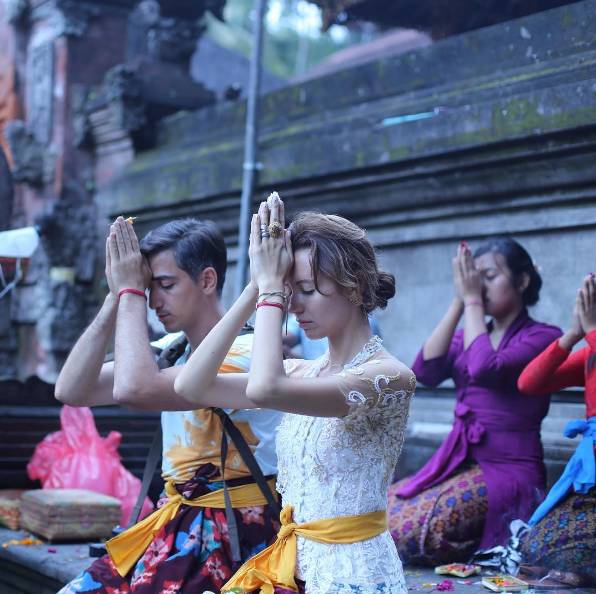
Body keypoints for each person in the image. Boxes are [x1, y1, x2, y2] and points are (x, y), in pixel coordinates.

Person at [175, 194, 415, 594]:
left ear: (354, 286)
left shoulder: (389, 378)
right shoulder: (302, 371)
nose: (293, 306)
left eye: (306, 289)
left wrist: (271, 290)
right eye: (290, 292)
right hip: (293, 567)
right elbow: (191, 386)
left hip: (355, 577)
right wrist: (257, 286)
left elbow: (266, 387)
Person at [55, 217, 281, 593]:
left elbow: (135, 389)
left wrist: (131, 293)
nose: (154, 301)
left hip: (231, 531)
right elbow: (72, 390)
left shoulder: (245, 351)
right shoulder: (173, 348)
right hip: (177, 521)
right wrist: (117, 295)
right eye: (149, 287)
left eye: (166, 285)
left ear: (207, 280)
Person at [387, 237, 562, 565]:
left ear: (522, 281)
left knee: (416, 530)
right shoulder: (469, 333)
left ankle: (481, 539)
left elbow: (484, 368)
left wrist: (471, 302)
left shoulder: (544, 337)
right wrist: (460, 300)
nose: (479, 286)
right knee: (380, 509)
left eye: (489, 277)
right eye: (473, 278)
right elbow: (424, 371)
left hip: (509, 471)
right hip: (459, 460)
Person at [516, 274, 596, 584]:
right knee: (534, 547)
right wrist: (573, 334)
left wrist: (591, 330)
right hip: (589, 485)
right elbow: (529, 383)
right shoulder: (590, 353)